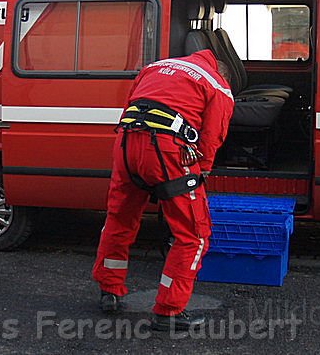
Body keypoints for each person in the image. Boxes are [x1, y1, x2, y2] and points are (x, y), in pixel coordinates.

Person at [91, 50, 234, 332]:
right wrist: (201, 170)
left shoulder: (154, 68)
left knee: (119, 219)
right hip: (167, 150)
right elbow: (212, 135)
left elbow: (129, 108)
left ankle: (109, 291)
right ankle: (168, 310)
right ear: (224, 72)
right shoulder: (217, 84)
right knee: (193, 234)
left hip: (126, 144)